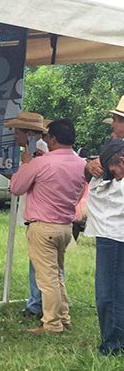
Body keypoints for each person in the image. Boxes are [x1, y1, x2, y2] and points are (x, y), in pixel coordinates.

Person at [11, 119, 86, 334]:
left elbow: (16, 187)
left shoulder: (41, 163)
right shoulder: (81, 163)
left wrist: (26, 163)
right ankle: (63, 317)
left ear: (52, 138)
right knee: (57, 274)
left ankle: (52, 323)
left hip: (43, 225)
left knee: (47, 279)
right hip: (65, 225)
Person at [84, 102, 124, 354]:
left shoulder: (116, 155)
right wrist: (89, 168)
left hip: (114, 233)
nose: (113, 125)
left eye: (116, 120)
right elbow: (94, 173)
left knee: (109, 291)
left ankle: (113, 344)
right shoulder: (114, 148)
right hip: (111, 231)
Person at [4, 112, 49, 318]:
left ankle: (37, 304)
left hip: (39, 215)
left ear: (30, 133)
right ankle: (39, 301)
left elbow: (22, 185)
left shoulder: (38, 154)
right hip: (39, 214)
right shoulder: (33, 153)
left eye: (18, 131)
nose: (14, 135)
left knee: (39, 264)